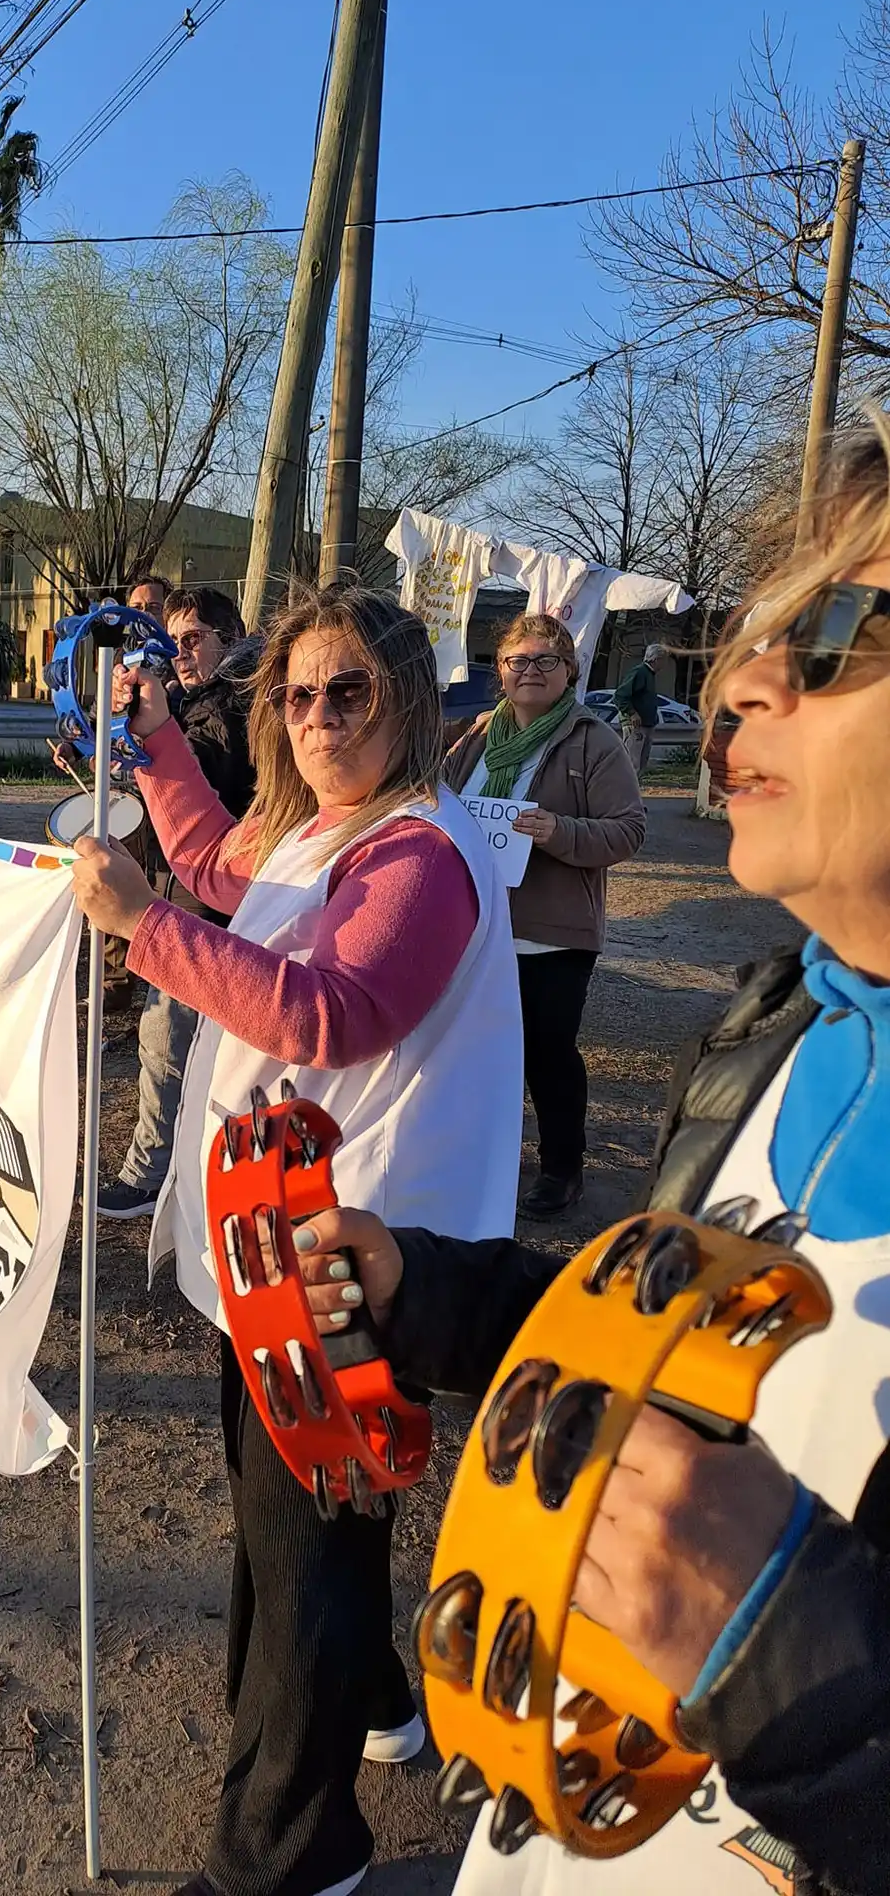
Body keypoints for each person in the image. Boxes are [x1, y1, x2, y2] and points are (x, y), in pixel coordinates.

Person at [292, 415, 890, 1896]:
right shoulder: (785, 1026)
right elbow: (666, 1376)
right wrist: (447, 1300)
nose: (747, 680)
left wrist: (795, 1660)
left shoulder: (588, 755)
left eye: (836, 629)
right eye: (764, 627)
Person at [70, 583, 524, 1896]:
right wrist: (154, 736)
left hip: (346, 1265)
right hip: (274, 1249)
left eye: (352, 693)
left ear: (407, 704)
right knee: (304, 1526)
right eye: (300, 693)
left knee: (299, 1548)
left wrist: (139, 929)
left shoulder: (421, 853)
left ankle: (290, 1854)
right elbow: (221, 865)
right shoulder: (329, 829)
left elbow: (334, 1011)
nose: (320, 716)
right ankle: (379, 1700)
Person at [446, 614, 645, 1217]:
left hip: (552, 933)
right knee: (478, 1050)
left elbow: (629, 829)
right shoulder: (476, 737)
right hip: (475, 925)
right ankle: (493, 1158)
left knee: (546, 1053)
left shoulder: (592, 740)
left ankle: (562, 1169)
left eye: (545, 661)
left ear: (570, 671)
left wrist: (560, 830)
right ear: (500, 671)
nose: (530, 671)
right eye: (518, 661)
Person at [98, 585, 256, 1219]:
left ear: (232, 634)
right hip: (181, 887)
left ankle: (150, 1171)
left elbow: (213, 778)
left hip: (222, 896)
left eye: (193, 638)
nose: (180, 652)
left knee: (168, 1033)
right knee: (175, 1036)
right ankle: (184, 1164)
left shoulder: (246, 705)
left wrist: (156, 743)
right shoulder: (185, 702)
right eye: (173, 639)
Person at [614, 639, 666, 774]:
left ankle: (635, 791)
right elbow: (620, 695)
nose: (664, 663)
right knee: (632, 762)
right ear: (656, 659)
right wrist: (632, 713)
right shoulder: (640, 672)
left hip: (647, 724)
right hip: (636, 725)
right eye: (663, 659)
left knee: (641, 763)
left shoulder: (649, 675)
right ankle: (625, 792)